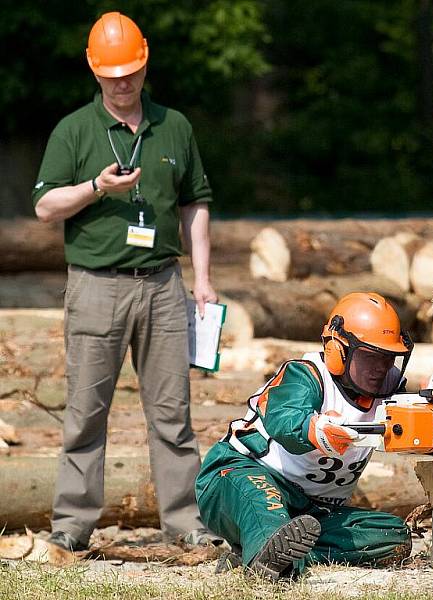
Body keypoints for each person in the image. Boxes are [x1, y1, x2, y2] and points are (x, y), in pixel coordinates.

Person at [32, 11, 220, 550]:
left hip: (163, 285)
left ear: (145, 61)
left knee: (172, 415)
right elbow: (46, 206)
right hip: (95, 286)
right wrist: (95, 187)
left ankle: (186, 525)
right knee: (86, 413)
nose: (122, 82)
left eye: (130, 70)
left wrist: (201, 281)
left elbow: (195, 204)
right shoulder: (74, 130)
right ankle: (71, 527)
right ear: (94, 69)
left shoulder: (174, 126)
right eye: (111, 73)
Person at [196, 292, 415, 580]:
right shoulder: (305, 375)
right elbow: (284, 417)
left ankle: (274, 552)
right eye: (370, 357)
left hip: (312, 509)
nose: (380, 368)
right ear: (339, 350)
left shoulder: (392, 391)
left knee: (391, 536)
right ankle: (269, 555)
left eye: (388, 358)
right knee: (263, 503)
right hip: (237, 476)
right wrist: (314, 428)